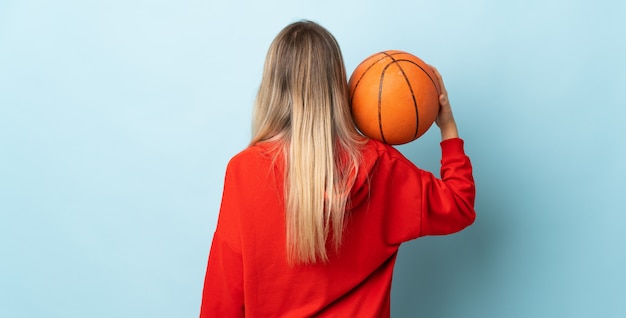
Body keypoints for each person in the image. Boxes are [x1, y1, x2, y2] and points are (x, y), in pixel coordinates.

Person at [200, 20, 475, 318]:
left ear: (272, 86)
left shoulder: (244, 171)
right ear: (338, 85)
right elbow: (459, 204)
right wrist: (447, 127)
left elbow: (225, 292)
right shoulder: (382, 167)